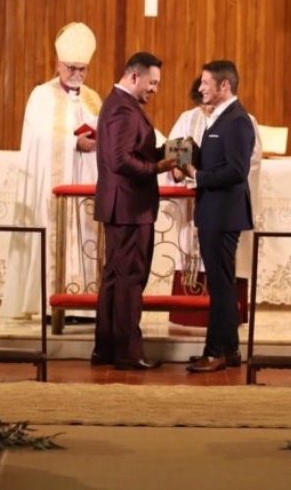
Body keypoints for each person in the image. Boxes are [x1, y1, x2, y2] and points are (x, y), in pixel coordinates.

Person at [2, 22, 104, 319]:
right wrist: (73, 143)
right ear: (58, 63)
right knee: (54, 232)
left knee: (86, 235)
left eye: (82, 69)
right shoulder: (41, 96)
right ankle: (49, 302)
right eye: (71, 68)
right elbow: (37, 137)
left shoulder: (92, 98)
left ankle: (83, 306)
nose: (77, 75)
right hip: (53, 187)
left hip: (85, 182)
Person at [91, 52, 175, 370]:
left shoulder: (119, 104)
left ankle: (106, 349)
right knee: (130, 280)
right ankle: (127, 352)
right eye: (152, 83)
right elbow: (120, 160)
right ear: (134, 77)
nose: (154, 89)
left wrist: (164, 153)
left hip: (122, 206)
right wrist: (158, 166)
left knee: (115, 278)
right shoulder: (123, 110)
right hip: (129, 207)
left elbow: (130, 152)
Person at [182, 60, 256, 374]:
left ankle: (215, 352)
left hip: (223, 214)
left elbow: (237, 170)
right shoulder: (221, 119)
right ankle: (230, 349)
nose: (200, 89)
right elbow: (220, 160)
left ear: (224, 86)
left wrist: (198, 176)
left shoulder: (237, 121)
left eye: (205, 83)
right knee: (221, 283)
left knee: (221, 286)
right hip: (215, 212)